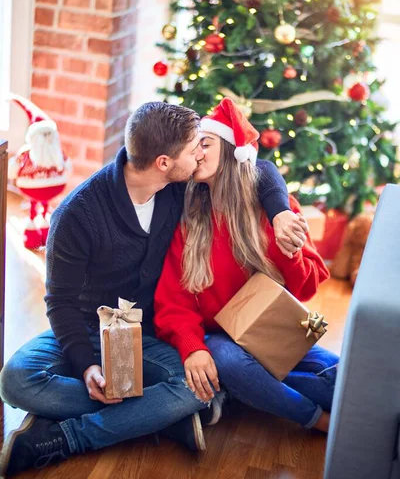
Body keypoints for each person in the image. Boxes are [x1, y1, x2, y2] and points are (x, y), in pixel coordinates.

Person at [0, 101, 307, 477]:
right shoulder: (77, 216)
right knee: (16, 380)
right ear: (163, 162)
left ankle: (71, 437)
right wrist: (86, 366)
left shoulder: (180, 187)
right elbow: (59, 302)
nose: (200, 154)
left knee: (199, 386)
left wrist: (280, 212)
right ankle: (158, 417)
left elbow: (260, 169)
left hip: (149, 333)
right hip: (87, 325)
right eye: (194, 147)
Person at [154, 98, 339, 433]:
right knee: (228, 360)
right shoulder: (189, 219)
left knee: (340, 375)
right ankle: (317, 420)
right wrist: (193, 348)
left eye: (206, 143)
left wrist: (291, 250)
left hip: (268, 332)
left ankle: (244, 389)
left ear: (232, 150)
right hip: (219, 340)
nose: (197, 152)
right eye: (194, 145)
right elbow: (173, 303)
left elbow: (307, 288)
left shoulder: (273, 209)